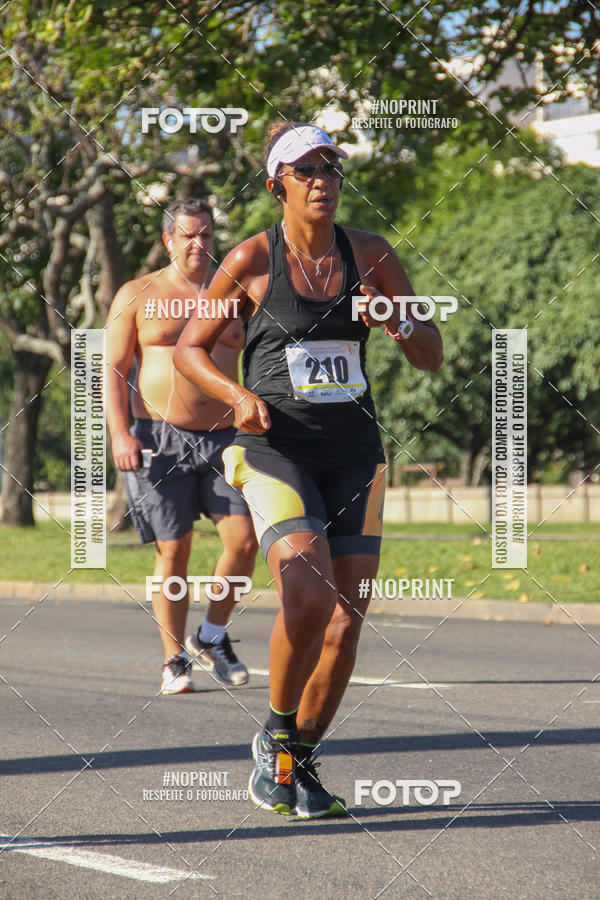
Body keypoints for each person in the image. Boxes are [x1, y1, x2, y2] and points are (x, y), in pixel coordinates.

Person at [173, 123, 443, 817]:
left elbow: (431, 355)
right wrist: (238, 395)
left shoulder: (372, 254)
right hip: (275, 449)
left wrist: (399, 320)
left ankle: (299, 758)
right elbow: (189, 350)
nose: (322, 179)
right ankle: (277, 742)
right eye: (305, 170)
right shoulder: (253, 259)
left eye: (331, 168)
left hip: (354, 453)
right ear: (278, 184)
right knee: (306, 589)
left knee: (346, 620)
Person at [106, 197, 257, 694]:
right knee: (175, 552)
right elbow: (112, 369)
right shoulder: (138, 293)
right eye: (188, 235)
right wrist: (121, 433)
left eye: (207, 235)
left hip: (228, 440)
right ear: (168, 240)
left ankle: (211, 635)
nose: (199, 244)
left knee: (244, 541)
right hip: (157, 437)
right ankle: (174, 658)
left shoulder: (237, 292)